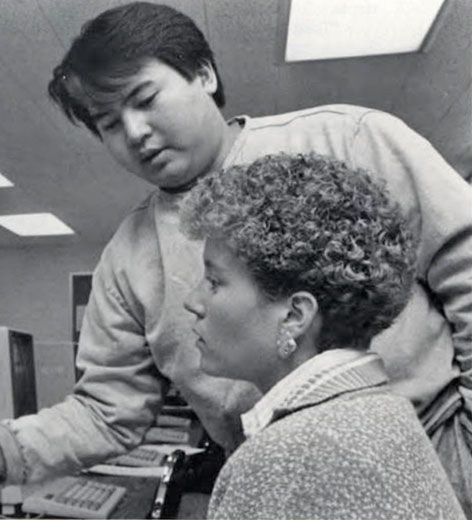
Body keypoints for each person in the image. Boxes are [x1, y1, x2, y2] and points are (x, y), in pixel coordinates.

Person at [0, 2, 472, 513]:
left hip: (441, 440)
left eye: (145, 98)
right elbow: (107, 409)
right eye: (107, 123)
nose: (135, 132)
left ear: (203, 74)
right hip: (276, 472)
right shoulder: (129, 258)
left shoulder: (348, 140)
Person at [180, 152, 464, 519]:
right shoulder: (383, 413)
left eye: (214, 281)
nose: (192, 301)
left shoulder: (287, 458)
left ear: (296, 315)